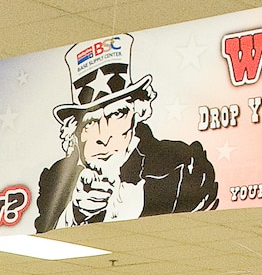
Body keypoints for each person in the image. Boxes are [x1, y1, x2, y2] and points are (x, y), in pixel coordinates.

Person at [35, 33, 217, 229]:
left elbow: (201, 202)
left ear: (137, 112)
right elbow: (41, 232)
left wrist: (137, 200)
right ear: (74, 132)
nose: (103, 136)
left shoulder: (181, 161)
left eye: (117, 114)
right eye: (89, 122)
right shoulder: (55, 179)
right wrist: (75, 213)